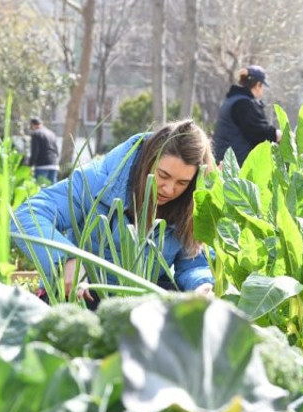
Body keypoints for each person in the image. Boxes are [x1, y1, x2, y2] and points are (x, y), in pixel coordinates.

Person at [12, 119, 215, 303]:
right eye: (163, 175)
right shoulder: (100, 180)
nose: (170, 189)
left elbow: (192, 263)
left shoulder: (190, 204)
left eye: (182, 183)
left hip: (143, 303)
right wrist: (66, 260)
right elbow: (28, 215)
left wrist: (202, 285)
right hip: (85, 295)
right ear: (147, 161)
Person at [212, 65, 281, 165]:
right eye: (263, 87)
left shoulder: (232, 100)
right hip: (237, 164)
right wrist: (277, 135)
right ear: (258, 85)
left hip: (223, 161)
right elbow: (258, 133)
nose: (263, 91)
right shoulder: (244, 104)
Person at [28, 117, 61, 182]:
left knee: (41, 189)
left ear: (33, 125)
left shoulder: (36, 133)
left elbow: (35, 151)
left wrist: (30, 165)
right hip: (54, 165)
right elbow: (56, 151)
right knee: (52, 190)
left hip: (42, 165)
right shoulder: (51, 133)